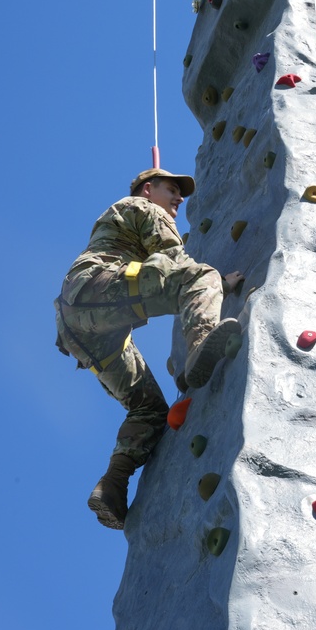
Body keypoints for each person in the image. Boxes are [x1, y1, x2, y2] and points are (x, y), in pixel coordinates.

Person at [54, 168, 244, 530]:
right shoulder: (143, 208)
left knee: (149, 409)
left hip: (81, 328)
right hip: (96, 289)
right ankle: (201, 340)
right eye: (171, 189)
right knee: (199, 275)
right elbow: (176, 263)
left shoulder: (122, 217)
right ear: (147, 189)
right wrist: (219, 282)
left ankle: (112, 485)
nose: (178, 199)